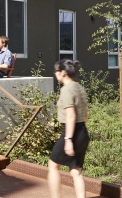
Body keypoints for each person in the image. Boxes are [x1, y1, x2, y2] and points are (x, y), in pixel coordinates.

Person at [48, 59, 89, 198]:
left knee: (53, 165)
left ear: (63, 73)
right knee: (75, 171)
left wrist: (68, 139)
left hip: (71, 132)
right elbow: (85, 113)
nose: (55, 74)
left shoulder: (66, 89)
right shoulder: (79, 87)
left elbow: (71, 116)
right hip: (82, 131)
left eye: (56, 72)